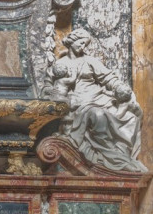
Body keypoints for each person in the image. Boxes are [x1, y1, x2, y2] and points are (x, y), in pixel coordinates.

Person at [45, 28, 146, 172]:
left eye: (85, 44)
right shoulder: (59, 64)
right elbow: (47, 88)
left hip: (99, 97)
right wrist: (58, 90)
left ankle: (120, 155)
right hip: (77, 104)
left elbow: (108, 78)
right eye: (81, 43)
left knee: (130, 116)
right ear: (72, 42)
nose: (83, 47)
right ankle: (113, 159)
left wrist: (119, 87)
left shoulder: (90, 61)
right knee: (97, 115)